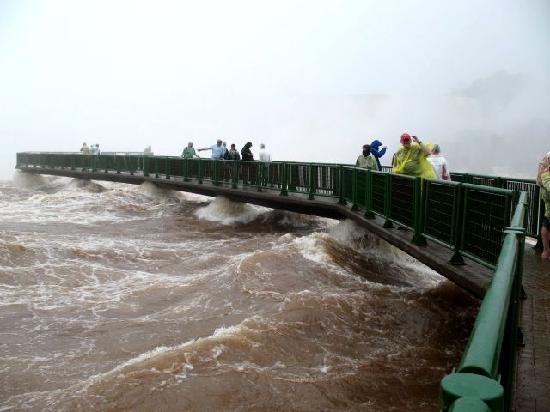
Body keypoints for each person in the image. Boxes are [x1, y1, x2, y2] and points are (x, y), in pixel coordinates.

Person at [538, 164, 550, 259]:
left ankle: (546, 251)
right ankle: (546, 251)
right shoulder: (546, 173)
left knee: (546, 225)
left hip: (547, 205)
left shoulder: (544, 172)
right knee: (546, 225)